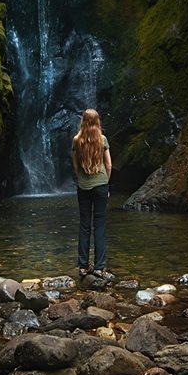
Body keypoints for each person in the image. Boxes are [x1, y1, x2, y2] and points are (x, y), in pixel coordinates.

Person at [71, 108, 112, 278]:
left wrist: (81, 178)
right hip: (101, 185)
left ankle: (82, 266)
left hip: (83, 186)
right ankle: (99, 267)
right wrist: (106, 183)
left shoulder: (76, 140)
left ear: (83, 121)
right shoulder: (102, 139)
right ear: (97, 122)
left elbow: (75, 165)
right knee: (100, 225)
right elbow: (109, 164)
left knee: (85, 225)